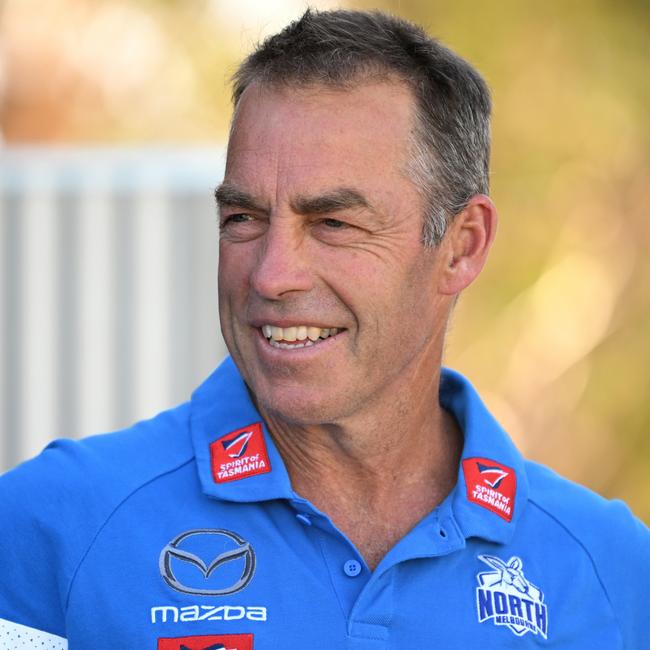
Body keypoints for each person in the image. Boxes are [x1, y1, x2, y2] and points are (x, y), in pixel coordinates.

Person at [1, 9, 648, 649]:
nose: (271, 276)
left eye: (334, 224)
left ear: (462, 245)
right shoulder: (48, 531)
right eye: (244, 219)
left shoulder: (614, 572)